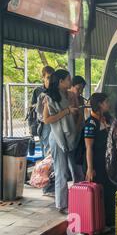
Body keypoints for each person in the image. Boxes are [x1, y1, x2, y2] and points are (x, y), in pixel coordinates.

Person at [43, 69, 84, 214]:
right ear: (60, 82)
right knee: (61, 171)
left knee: (75, 170)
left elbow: (77, 113)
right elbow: (47, 119)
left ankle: (78, 199)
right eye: (68, 79)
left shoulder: (70, 95)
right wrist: (66, 112)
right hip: (57, 137)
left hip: (70, 136)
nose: (70, 82)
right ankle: (62, 205)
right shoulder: (50, 97)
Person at [84, 93, 116, 227]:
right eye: (106, 102)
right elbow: (89, 147)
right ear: (99, 105)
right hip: (97, 162)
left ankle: (111, 220)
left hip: (108, 161)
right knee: (102, 192)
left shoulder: (107, 118)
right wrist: (90, 168)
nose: (108, 104)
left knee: (110, 190)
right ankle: (100, 222)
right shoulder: (90, 123)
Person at [32, 66, 56, 196]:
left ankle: (51, 186)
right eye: (48, 77)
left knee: (53, 156)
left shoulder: (55, 90)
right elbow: (38, 113)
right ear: (43, 77)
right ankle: (47, 187)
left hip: (54, 125)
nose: (50, 80)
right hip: (45, 126)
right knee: (47, 156)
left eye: (52, 77)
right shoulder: (39, 92)